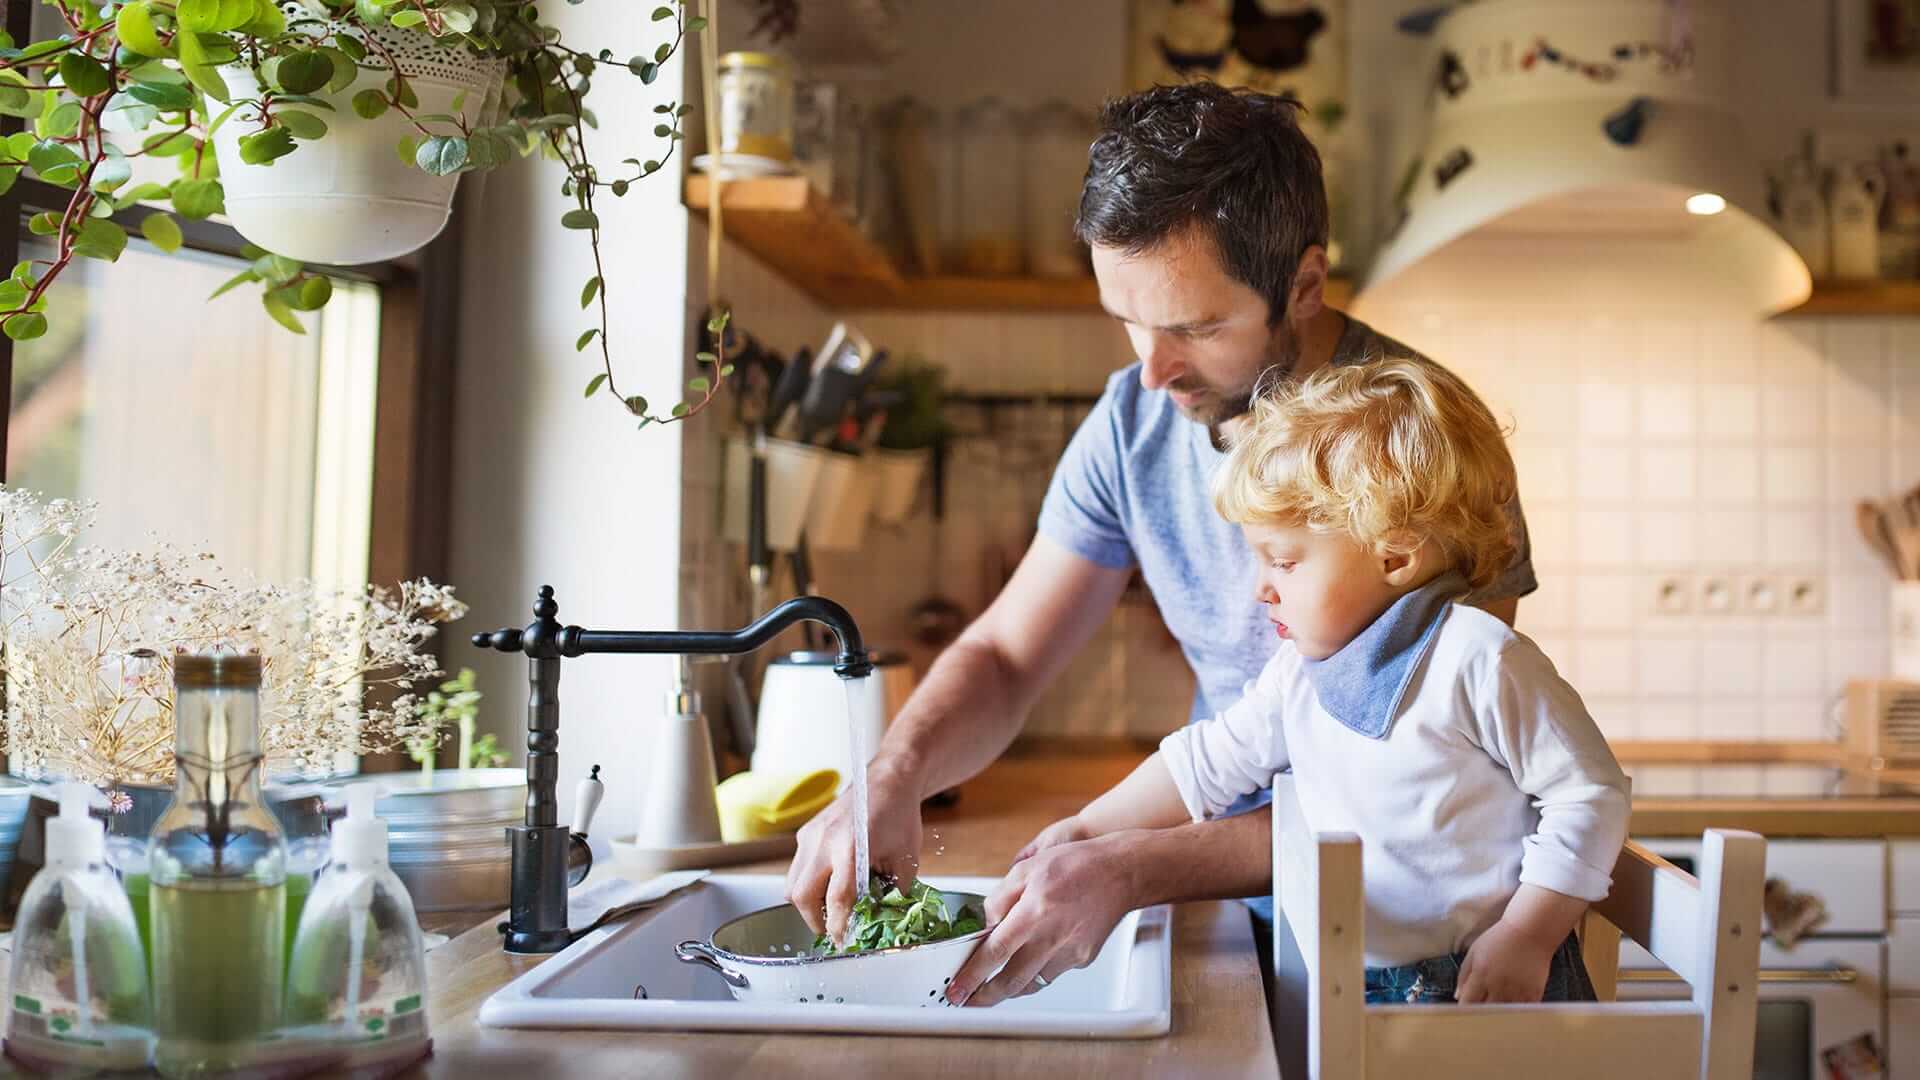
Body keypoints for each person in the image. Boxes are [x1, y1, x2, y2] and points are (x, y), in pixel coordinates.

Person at [785, 82, 1539, 1008]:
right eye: (1129, 318)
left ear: (1303, 285)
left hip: (1418, 945)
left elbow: (1421, 785)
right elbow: (1007, 656)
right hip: (1238, 902)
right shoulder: (1132, 421)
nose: (1152, 367)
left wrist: (1139, 866)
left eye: (1194, 327)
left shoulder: (1428, 446)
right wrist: (891, 778)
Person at [1001, 358, 1630, 1005]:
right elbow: (1206, 762)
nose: (1261, 588)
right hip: (1352, 980)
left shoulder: (1479, 659)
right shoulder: (1300, 671)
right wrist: (1085, 829)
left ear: (1394, 556)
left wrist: (1528, 934)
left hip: (1487, 981)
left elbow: (1591, 795)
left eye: (1283, 560)